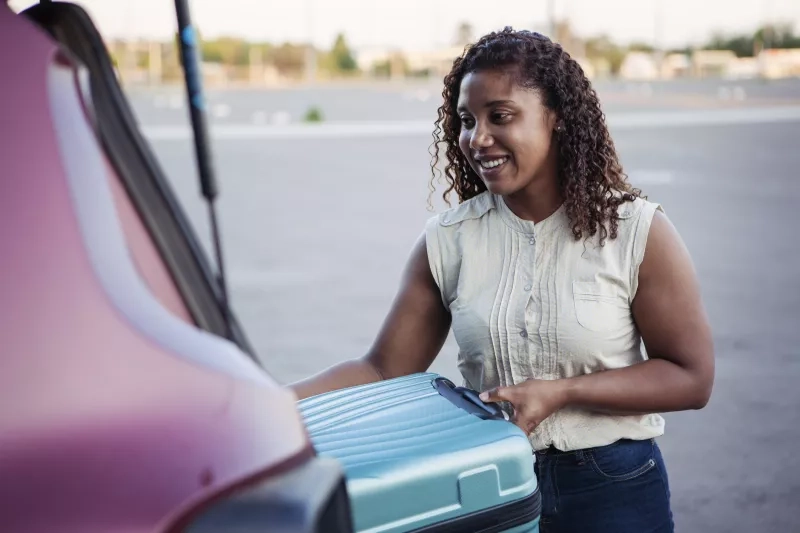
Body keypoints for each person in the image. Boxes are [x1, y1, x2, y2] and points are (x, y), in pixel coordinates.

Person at [292, 27, 714, 533]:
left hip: (614, 488)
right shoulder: (448, 240)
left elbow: (691, 377)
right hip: (492, 484)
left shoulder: (636, 229)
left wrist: (562, 392)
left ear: (555, 116)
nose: (477, 138)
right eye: (467, 120)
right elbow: (383, 368)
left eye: (501, 116)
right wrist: (268, 406)